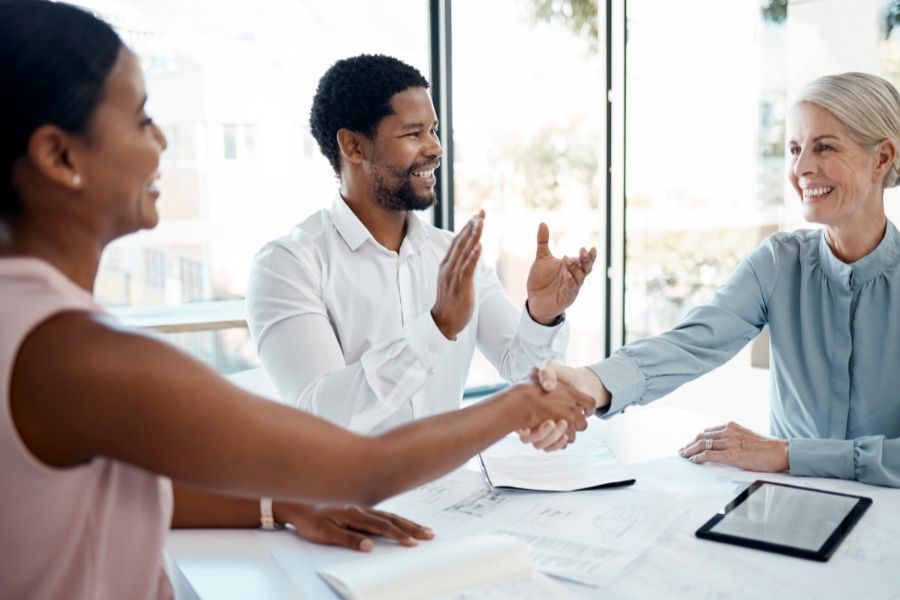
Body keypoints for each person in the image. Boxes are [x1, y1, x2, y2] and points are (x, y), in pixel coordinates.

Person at [0, 2, 595, 598]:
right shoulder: (82, 355)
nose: (160, 142)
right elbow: (358, 468)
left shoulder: (31, 323)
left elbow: (136, 482)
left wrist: (279, 504)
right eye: (140, 120)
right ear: (59, 156)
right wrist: (513, 400)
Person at [523, 72, 900, 488]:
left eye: (824, 147)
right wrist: (592, 382)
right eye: (795, 149)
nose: (801, 168)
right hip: (790, 502)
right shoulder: (779, 262)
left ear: (881, 158)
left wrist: (787, 453)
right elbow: (691, 342)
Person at [246, 54, 597, 444]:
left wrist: (542, 316)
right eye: (414, 134)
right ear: (353, 146)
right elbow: (321, 416)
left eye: (433, 130)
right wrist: (436, 327)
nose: (436, 149)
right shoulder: (287, 266)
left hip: (454, 480)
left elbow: (523, 369)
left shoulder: (452, 256)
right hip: (357, 484)